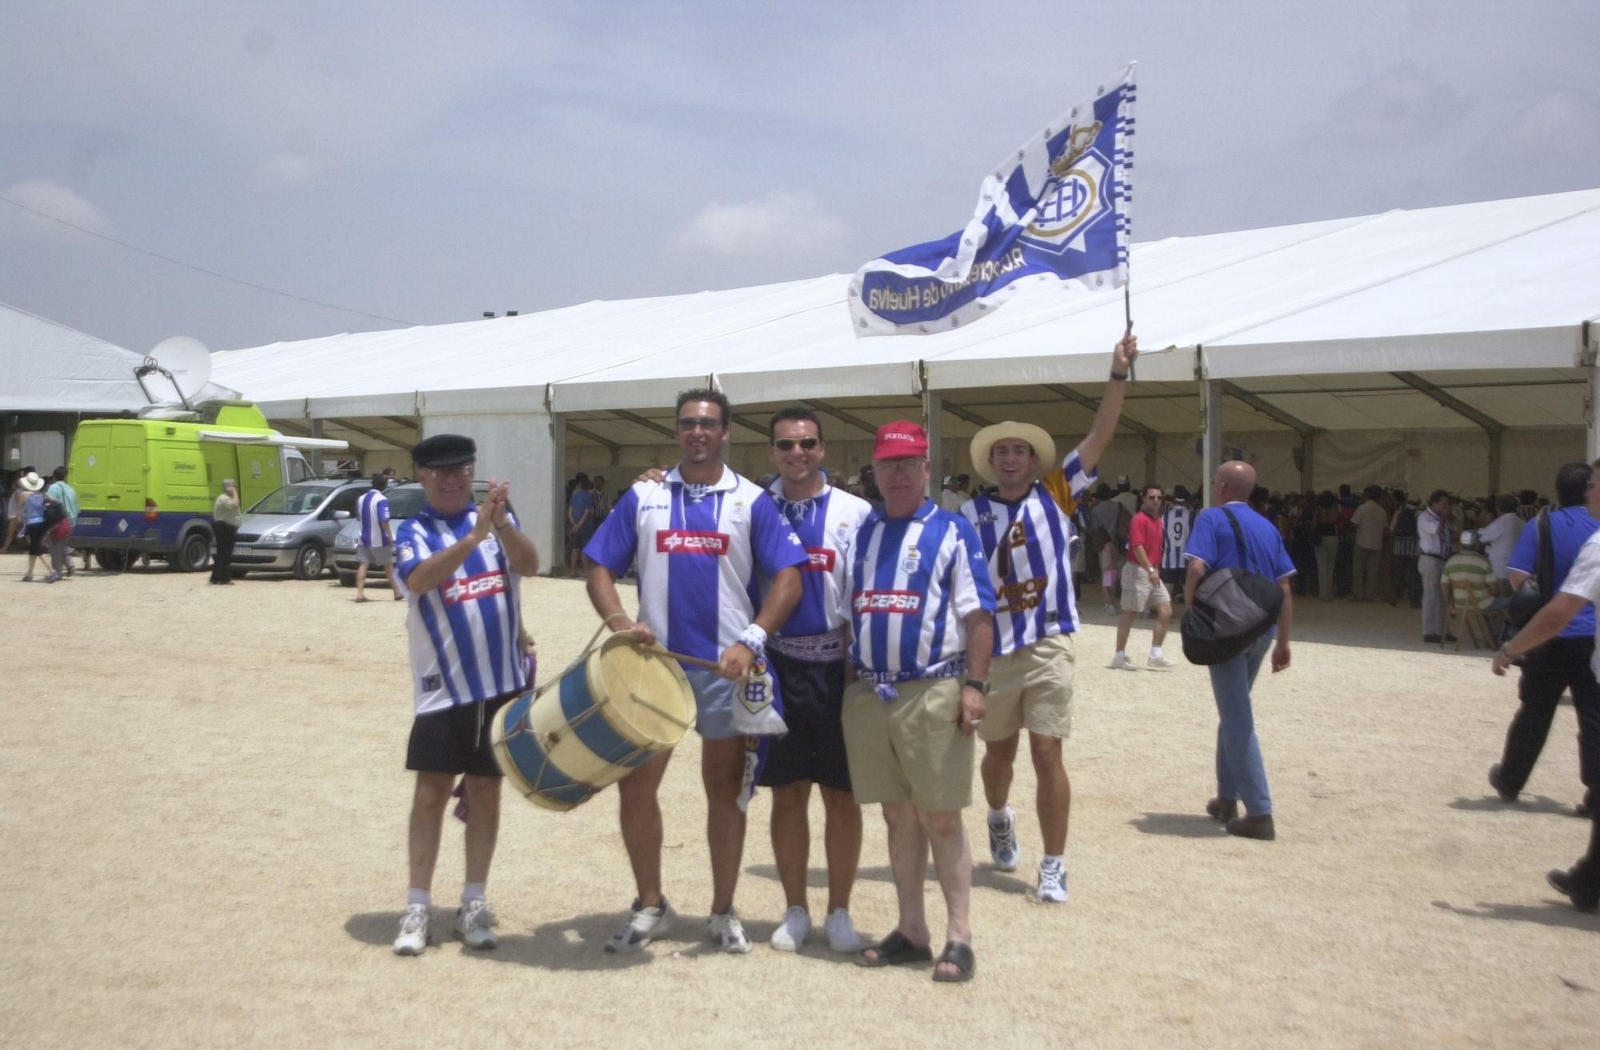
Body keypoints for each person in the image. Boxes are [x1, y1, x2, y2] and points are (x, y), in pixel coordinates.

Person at [583, 388, 805, 955]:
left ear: (726, 432)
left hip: (723, 669)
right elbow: (598, 566)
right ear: (678, 431)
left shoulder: (751, 500)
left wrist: (752, 639)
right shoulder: (645, 495)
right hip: (655, 667)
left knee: (724, 792)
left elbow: (789, 579)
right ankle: (650, 903)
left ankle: (723, 909)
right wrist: (618, 622)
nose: (697, 433)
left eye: (707, 424)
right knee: (636, 787)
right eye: (687, 424)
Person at [960, 333, 1138, 905]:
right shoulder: (967, 515)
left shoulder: (1057, 492)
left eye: (1020, 451)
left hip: (1049, 639)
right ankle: (998, 813)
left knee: (1047, 751)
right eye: (1002, 452)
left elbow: (1100, 434)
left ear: (1033, 461)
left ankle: (1054, 864)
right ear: (990, 463)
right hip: (995, 647)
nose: (1011, 458)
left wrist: (1118, 375)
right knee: (999, 755)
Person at [849, 420, 994, 982]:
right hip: (872, 692)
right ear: (876, 470)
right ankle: (912, 929)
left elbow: (978, 616)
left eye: (910, 463)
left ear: (928, 469)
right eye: (889, 464)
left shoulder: (952, 531)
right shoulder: (865, 532)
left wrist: (975, 688)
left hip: (933, 688)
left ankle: (960, 936)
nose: (900, 474)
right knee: (897, 814)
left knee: (940, 815)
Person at [390, 435, 540, 956]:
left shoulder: (500, 523)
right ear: (423, 478)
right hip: (443, 689)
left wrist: (497, 526)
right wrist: (473, 537)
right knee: (431, 793)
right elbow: (419, 579)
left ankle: (474, 901)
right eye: (441, 473)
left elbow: (531, 564)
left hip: (499, 683)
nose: (453, 480)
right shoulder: (413, 531)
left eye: (461, 471)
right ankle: (416, 905)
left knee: (486, 792)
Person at [755, 407, 874, 953]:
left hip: (838, 670)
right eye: (785, 445)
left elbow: (864, 595)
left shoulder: (856, 512)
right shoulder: (752, 505)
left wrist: (856, 670)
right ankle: (796, 909)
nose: (796, 454)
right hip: (776, 667)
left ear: (823, 448)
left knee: (842, 796)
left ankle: (841, 910)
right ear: (772, 451)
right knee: (787, 793)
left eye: (806, 444)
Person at [1490, 477, 1600, 910]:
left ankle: (1511, 779)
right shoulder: (1589, 529)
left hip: (1554, 636)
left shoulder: (1544, 525)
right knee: (1591, 721)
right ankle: (1592, 794)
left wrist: (1511, 647)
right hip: (1592, 640)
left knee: (1534, 712)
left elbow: (1519, 578)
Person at [1183, 460, 1295, 841]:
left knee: (1237, 718)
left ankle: (1259, 812)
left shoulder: (1211, 519)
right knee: (1233, 711)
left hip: (1225, 629)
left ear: (1223, 487)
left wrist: (1192, 614)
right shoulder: (1268, 527)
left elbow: (1197, 568)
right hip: (1260, 631)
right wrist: (1283, 640)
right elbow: (1284, 588)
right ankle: (1226, 798)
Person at [1113, 483, 1176, 670]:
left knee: (1166, 610)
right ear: (1143, 499)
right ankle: (1119, 655)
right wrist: (1150, 569)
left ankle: (1156, 654)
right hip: (1138, 570)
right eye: (1151, 497)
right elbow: (1137, 546)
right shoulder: (1139, 520)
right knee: (1131, 611)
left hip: (1152, 570)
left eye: (1158, 497)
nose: (1156, 500)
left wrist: (1155, 569)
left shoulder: (1158, 520)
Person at [355, 473, 400, 602]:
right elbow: (384, 520)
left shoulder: (361, 499)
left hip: (363, 537)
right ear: (384, 486)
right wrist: (390, 536)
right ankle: (397, 592)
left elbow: (359, 517)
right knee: (388, 565)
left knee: (363, 564)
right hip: (379, 538)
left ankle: (359, 593)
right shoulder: (381, 499)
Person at [1418, 490, 1454, 643]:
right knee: (1431, 595)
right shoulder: (1424, 517)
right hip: (1430, 559)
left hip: (1443, 559)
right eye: (1443, 503)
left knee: (1444, 597)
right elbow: (1436, 531)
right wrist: (1446, 516)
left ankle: (1443, 630)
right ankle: (1429, 631)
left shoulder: (1441, 519)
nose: (1445, 506)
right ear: (1434, 503)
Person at [1479, 494, 1524, 594]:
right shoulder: (1522, 523)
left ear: (1498, 508)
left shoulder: (1501, 522)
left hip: (1501, 570)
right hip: (1517, 571)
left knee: (1502, 602)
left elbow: (1482, 537)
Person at [1350, 486, 1387, 601]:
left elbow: (1354, 523)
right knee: (1373, 571)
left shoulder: (1362, 508)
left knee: (1358, 569)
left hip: (1362, 541)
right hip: (1376, 543)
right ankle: (1370, 595)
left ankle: (1358, 594)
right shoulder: (1382, 510)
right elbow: (1385, 528)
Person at [44, 467, 79, 581]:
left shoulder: (53, 488)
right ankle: (70, 564)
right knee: (63, 546)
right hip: (70, 523)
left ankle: (57, 572)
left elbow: (48, 506)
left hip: (58, 523)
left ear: (54, 477)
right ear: (65, 477)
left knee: (55, 549)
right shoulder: (71, 489)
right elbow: (77, 508)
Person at [1161, 485, 1193, 602]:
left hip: (1169, 556)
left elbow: (1161, 536)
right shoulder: (1192, 516)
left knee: (1168, 586)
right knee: (1187, 586)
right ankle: (1188, 614)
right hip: (1187, 557)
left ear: (1174, 500)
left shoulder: (1165, 517)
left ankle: (1166, 613)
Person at [17, 471, 48, 581]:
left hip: (31, 523)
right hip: (42, 522)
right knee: (34, 548)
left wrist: (19, 522)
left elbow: (19, 510)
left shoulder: (23, 495)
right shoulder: (42, 494)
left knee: (36, 548)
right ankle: (29, 573)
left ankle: (52, 570)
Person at [210, 479, 242, 584]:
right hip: (224, 527)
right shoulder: (223, 498)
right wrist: (235, 493)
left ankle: (218, 577)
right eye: (234, 486)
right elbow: (235, 505)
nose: (236, 488)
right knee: (224, 553)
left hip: (228, 527)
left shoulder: (227, 498)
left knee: (224, 554)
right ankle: (222, 577)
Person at [566, 473, 597, 576]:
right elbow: (586, 514)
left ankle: (573, 571)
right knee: (584, 549)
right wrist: (579, 525)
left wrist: (574, 524)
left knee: (575, 549)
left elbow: (570, 512)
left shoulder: (574, 496)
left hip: (574, 525)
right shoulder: (589, 498)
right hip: (586, 526)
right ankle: (586, 571)